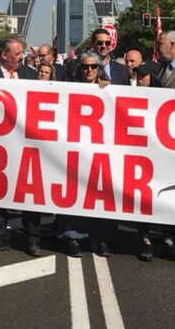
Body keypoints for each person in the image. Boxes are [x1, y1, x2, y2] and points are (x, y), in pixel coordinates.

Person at [0, 37, 42, 256]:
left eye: (22, 52)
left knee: (30, 190)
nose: (22, 56)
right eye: (18, 53)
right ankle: (0, 236)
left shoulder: (31, 75)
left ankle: (32, 238)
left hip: (26, 142)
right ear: (4, 55)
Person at [59, 52, 114, 258]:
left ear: (99, 68)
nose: (89, 70)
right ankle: (72, 237)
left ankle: (100, 239)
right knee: (74, 193)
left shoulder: (109, 88)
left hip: (101, 151)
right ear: (79, 69)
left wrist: (110, 92)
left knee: (101, 196)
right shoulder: (69, 87)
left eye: (93, 66)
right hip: (75, 149)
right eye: (85, 67)